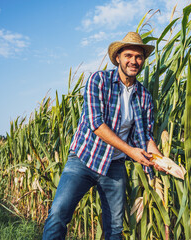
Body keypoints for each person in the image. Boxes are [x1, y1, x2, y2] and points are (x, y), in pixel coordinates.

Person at [42, 32, 164, 240]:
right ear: (118, 57)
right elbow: (96, 124)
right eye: (128, 55)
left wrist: (159, 158)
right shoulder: (98, 80)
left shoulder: (144, 96)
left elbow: (145, 136)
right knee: (59, 214)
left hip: (114, 166)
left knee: (115, 229)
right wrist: (131, 152)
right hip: (85, 158)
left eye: (138, 57)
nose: (133, 61)